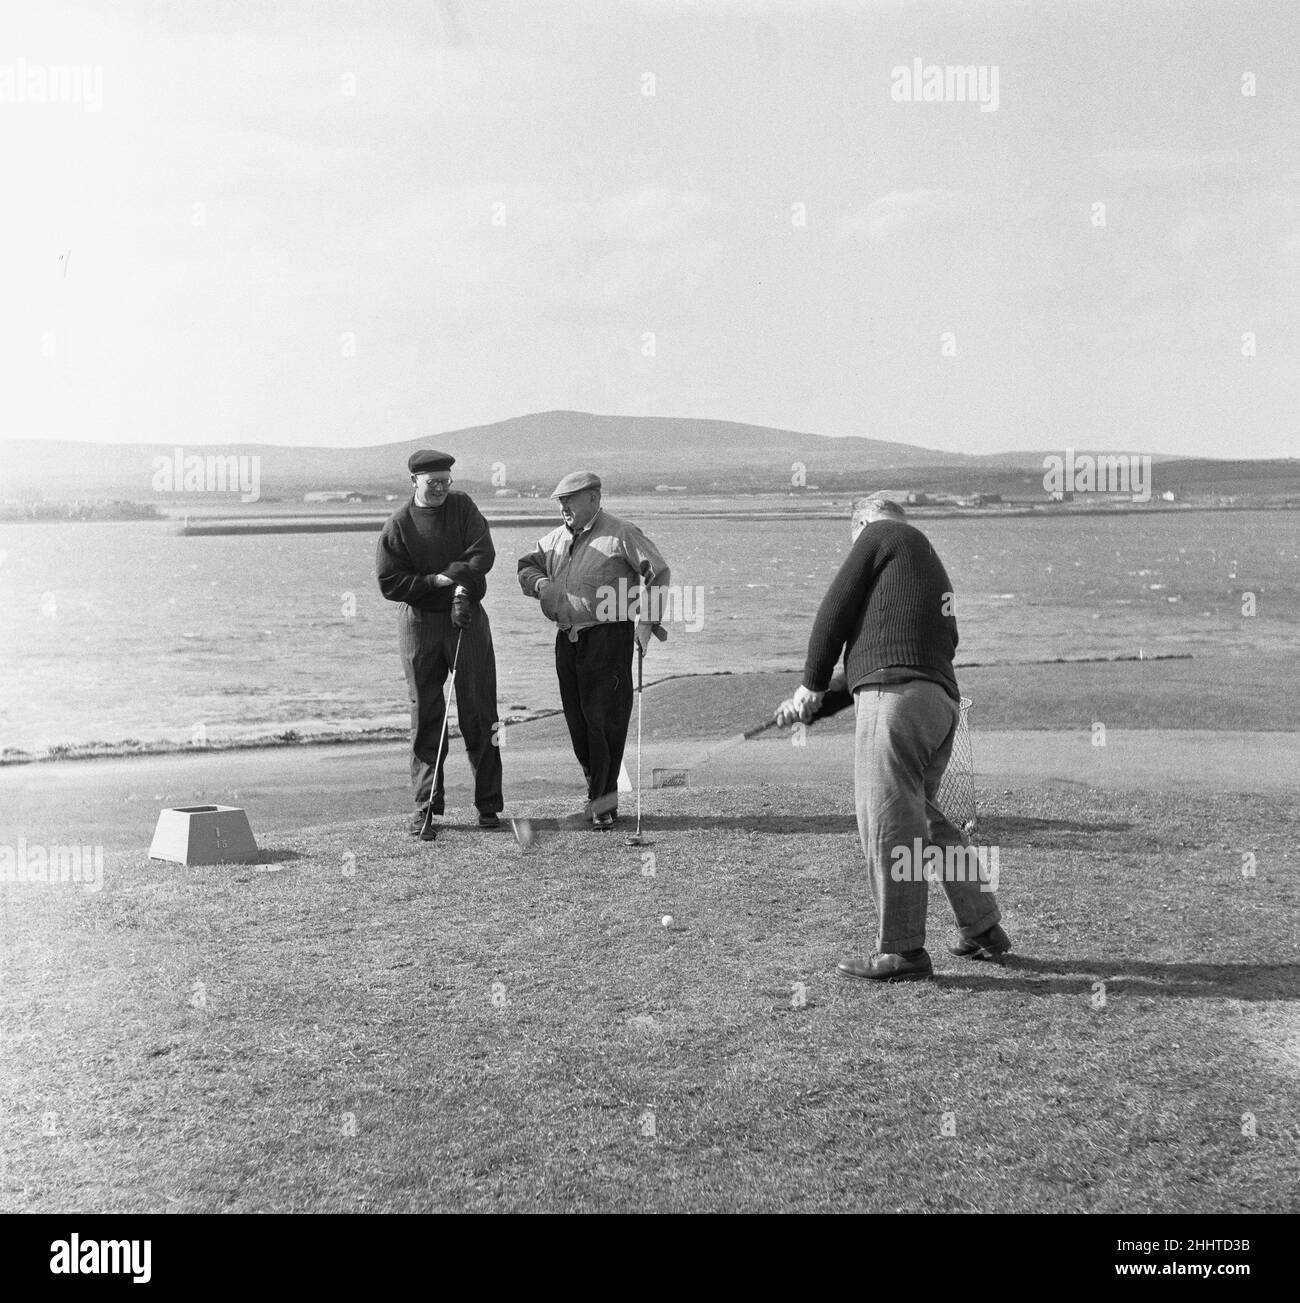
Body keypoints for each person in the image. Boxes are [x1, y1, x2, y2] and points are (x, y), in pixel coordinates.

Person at [775, 494, 1009, 980]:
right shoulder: (921, 560)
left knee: (887, 822)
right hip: (938, 704)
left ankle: (903, 950)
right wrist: (813, 706)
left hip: (897, 700)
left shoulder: (877, 535)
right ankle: (981, 923)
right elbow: (887, 652)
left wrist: (809, 682)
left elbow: (834, 609)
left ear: (860, 523)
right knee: (923, 817)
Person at [517, 472, 670, 830]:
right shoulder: (554, 539)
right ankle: (600, 798)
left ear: (594, 498)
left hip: (609, 637)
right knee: (579, 723)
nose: (564, 506)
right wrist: (540, 584)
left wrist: (647, 624)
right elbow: (526, 565)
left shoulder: (621, 533)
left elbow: (658, 574)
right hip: (568, 639)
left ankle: (601, 803)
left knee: (604, 721)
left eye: (570, 499)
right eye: (560, 501)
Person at [376, 449, 503, 836]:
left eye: (446, 482)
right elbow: (390, 583)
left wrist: (459, 585)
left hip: (465, 618)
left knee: (479, 710)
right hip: (419, 624)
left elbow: (483, 553)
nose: (441, 490)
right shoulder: (398, 524)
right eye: (433, 484)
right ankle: (426, 807)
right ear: (414, 482)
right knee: (427, 716)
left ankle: (488, 807)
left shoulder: (463, 507)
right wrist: (435, 583)